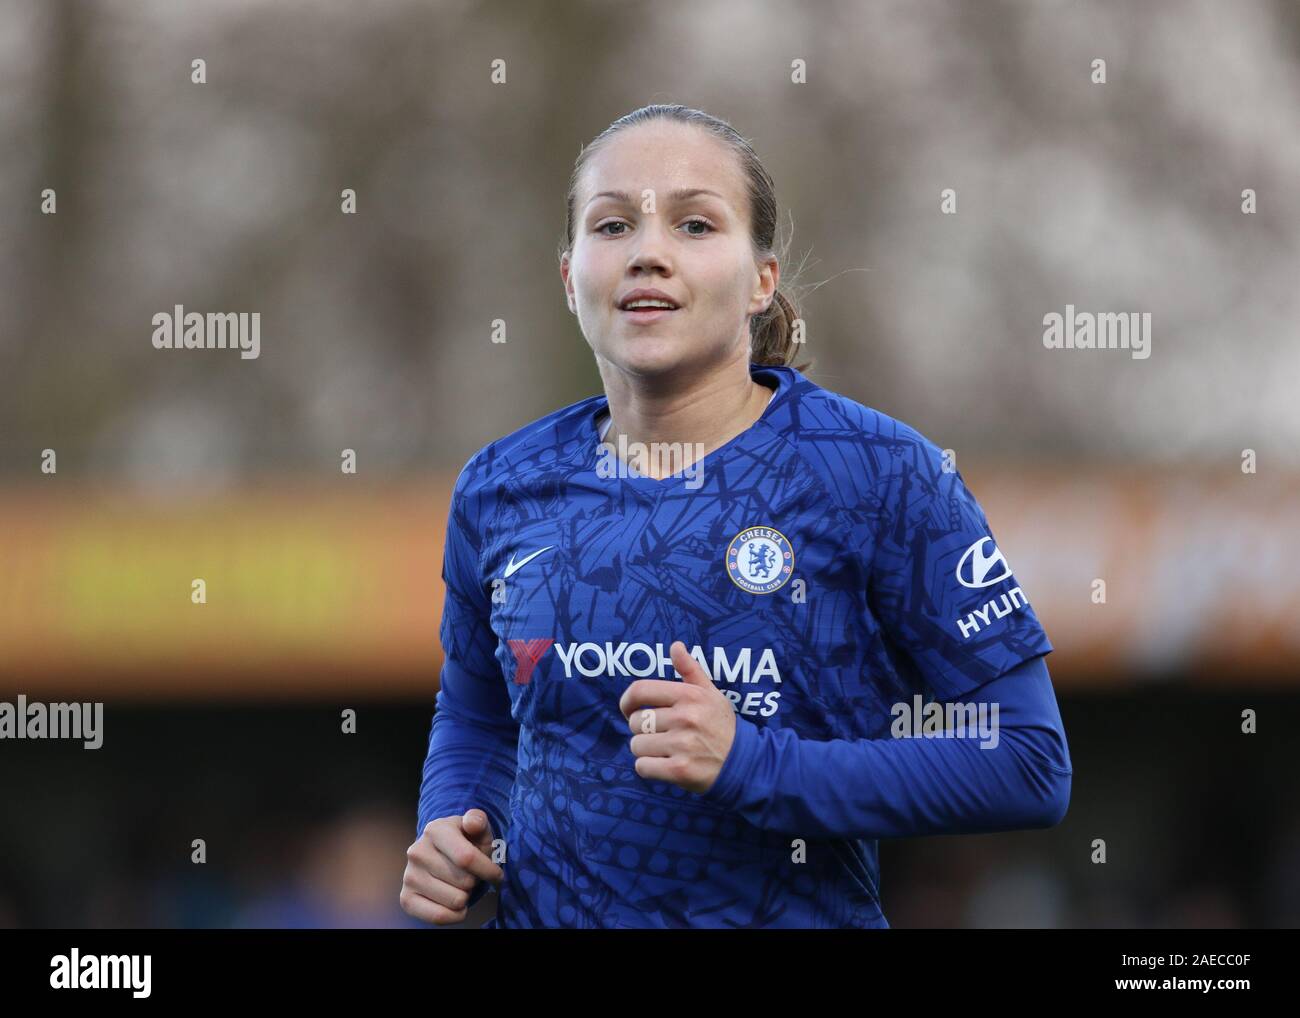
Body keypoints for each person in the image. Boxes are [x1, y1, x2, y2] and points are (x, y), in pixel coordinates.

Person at [400, 104, 1071, 929]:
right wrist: (457, 824)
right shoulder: (500, 485)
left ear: (761, 280)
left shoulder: (878, 473)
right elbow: (478, 715)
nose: (648, 253)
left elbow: (1028, 763)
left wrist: (758, 767)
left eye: (693, 224)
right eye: (613, 225)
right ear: (569, 274)